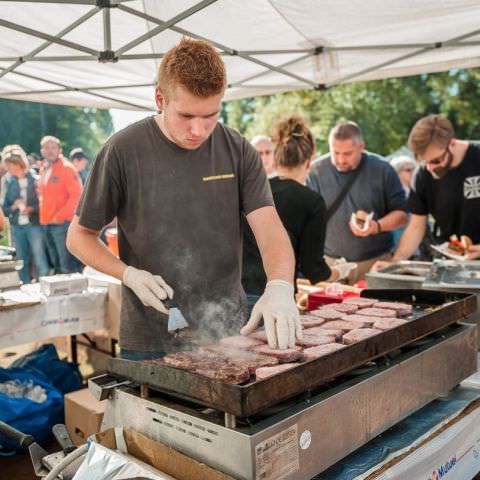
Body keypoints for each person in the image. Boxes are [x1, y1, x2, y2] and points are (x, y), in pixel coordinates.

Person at [66, 38, 301, 359]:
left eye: (211, 115)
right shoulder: (122, 150)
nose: (199, 130)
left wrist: (280, 286)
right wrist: (127, 273)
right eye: (187, 115)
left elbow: (271, 229)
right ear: (160, 98)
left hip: (228, 329)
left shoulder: (237, 150)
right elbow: (79, 236)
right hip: (151, 334)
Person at [243, 115, 356, 308]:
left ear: (276, 158)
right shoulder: (311, 202)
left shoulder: (252, 192)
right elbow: (315, 271)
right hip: (276, 300)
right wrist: (341, 272)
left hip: (238, 295)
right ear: (309, 161)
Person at [307, 121, 408, 282]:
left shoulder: (383, 169)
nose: (340, 160)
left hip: (374, 263)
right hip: (330, 264)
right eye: (335, 152)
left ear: (361, 147)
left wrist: (376, 226)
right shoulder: (316, 171)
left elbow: (402, 215)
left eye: (347, 154)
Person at [375, 114, 480, 265]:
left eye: (436, 160)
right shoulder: (422, 175)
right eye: (424, 161)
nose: (430, 168)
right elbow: (416, 226)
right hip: (452, 259)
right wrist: (396, 261)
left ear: (452, 144)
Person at [1, 145, 50, 283]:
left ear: (19, 164)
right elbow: (3, 209)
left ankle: (45, 284)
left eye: (10, 166)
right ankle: (25, 287)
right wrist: (14, 206)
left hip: (34, 225)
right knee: (21, 260)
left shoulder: (35, 179)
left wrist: (31, 209)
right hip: (16, 227)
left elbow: (43, 204)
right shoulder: (8, 182)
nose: (8, 169)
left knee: (40, 258)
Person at [39, 135, 83, 274]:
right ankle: (60, 294)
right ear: (42, 151)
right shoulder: (44, 168)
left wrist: (59, 217)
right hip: (46, 223)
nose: (50, 151)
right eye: (46, 147)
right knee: (56, 264)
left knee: (66, 265)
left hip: (62, 224)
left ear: (60, 150)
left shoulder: (67, 168)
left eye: (53, 147)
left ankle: (73, 294)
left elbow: (76, 197)